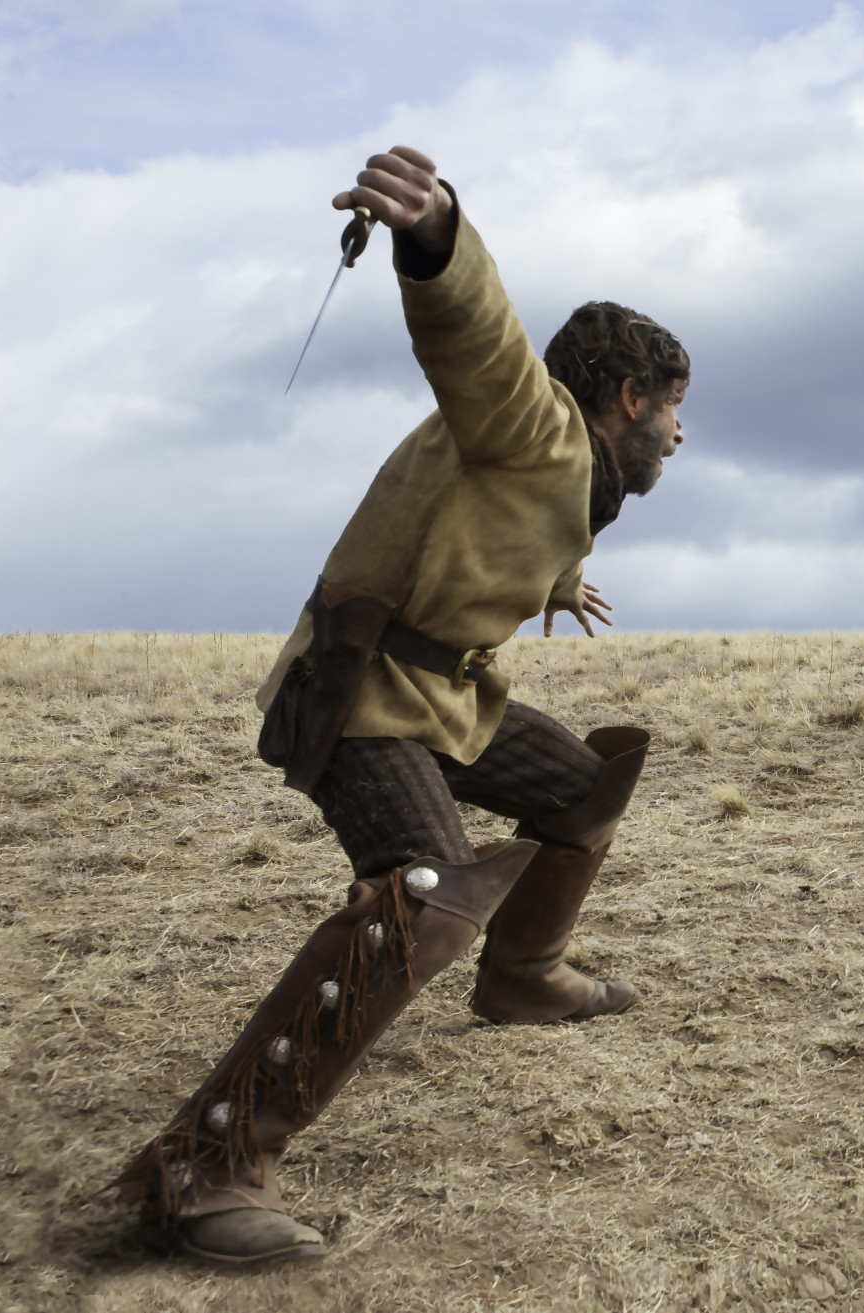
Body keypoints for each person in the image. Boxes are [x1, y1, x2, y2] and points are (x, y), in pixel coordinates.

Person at [114, 146, 690, 1265]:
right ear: (630, 397)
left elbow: (500, 521)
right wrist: (438, 232)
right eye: (673, 409)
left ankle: (523, 975)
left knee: (587, 786)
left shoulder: (568, 469)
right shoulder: (528, 415)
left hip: (444, 694)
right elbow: (474, 335)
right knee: (426, 889)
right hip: (363, 686)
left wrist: (556, 582)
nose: (678, 432)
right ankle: (207, 1164)